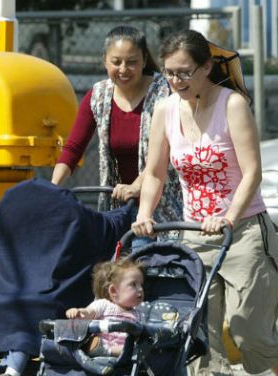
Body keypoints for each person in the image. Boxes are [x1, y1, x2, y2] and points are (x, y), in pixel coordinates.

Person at [131, 30, 278, 376]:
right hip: (195, 235)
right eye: (169, 73)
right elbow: (155, 172)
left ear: (207, 67)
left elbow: (252, 170)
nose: (176, 81)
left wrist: (230, 215)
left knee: (249, 326)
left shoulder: (232, 104)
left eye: (184, 73)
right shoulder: (164, 110)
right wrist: (145, 213)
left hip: (244, 229)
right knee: (199, 335)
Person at [0, 179, 132, 376]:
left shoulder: (20, 211)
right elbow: (109, 226)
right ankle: (9, 374)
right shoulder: (79, 221)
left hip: (6, 294)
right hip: (47, 296)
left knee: (3, 308)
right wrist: (129, 207)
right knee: (31, 316)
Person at [50, 25, 182, 226]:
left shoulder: (164, 93)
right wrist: (52, 190)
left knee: (143, 253)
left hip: (161, 207)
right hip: (118, 207)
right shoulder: (98, 96)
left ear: (144, 60)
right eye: (116, 62)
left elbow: (166, 154)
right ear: (104, 61)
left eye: (132, 62)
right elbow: (73, 148)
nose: (123, 69)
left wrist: (137, 186)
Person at [65, 259, 145, 358]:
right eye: (133, 284)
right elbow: (88, 313)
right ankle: (102, 350)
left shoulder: (138, 314)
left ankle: (111, 352)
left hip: (125, 354)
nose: (140, 289)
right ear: (114, 291)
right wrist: (78, 312)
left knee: (137, 348)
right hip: (101, 346)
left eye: (141, 285)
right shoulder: (103, 305)